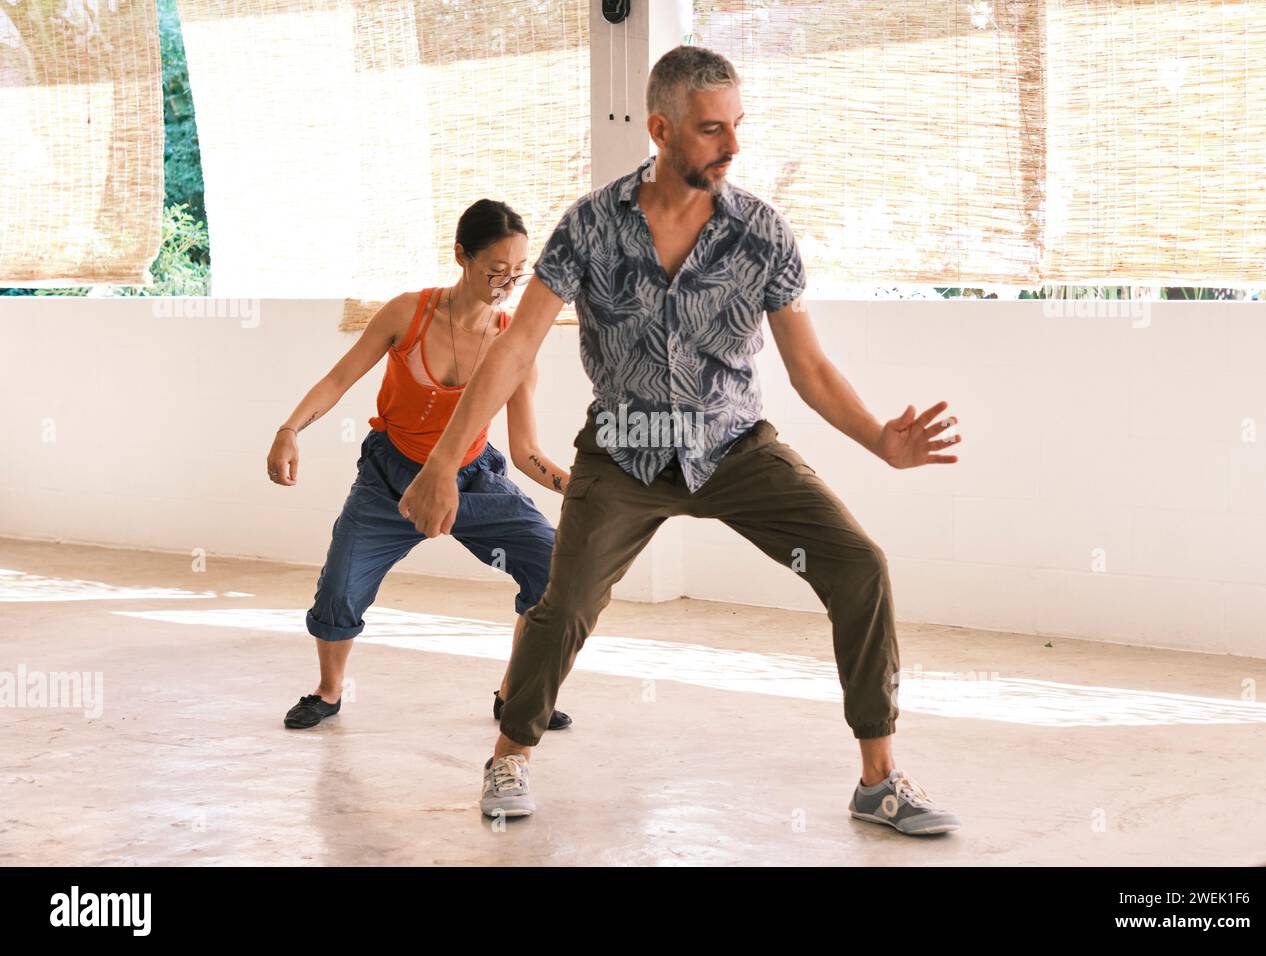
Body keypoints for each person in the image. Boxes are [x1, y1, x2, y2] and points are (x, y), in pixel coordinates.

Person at [400, 47, 964, 836]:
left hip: (733, 448)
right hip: (625, 452)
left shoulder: (762, 234)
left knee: (859, 565)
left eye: (737, 126)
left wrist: (880, 439)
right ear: (661, 129)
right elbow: (515, 349)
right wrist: (441, 463)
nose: (732, 145)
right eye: (710, 130)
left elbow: (809, 367)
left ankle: (877, 780)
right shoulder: (590, 228)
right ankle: (510, 756)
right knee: (562, 607)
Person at [267, 199, 575, 733]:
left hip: (475, 479)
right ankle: (329, 691)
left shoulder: (513, 345)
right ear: (461, 255)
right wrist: (289, 429)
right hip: (390, 476)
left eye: (518, 274)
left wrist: (580, 487)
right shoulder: (407, 313)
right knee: (340, 586)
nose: (506, 284)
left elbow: (525, 450)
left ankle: (515, 695)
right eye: (495, 270)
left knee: (550, 568)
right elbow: (338, 381)